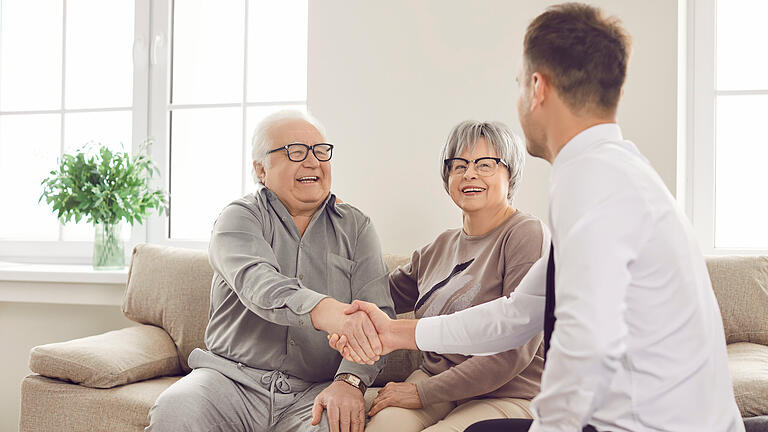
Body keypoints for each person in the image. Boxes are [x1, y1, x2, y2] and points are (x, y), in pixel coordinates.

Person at [329, 3, 745, 431]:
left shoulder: (591, 181)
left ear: (537, 88)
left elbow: (586, 348)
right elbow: (516, 314)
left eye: (518, 86)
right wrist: (397, 333)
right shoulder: (614, 170)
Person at [146, 109, 395, 432]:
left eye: (320, 151)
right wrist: (327, 311)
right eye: (295, 152)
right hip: (229, 382)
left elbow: (378, 314)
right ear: (261, 169)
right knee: (176, 409)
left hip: (314, 389)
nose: (312, 162)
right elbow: (259, 284)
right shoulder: (238, 218)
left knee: (334, 426)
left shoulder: (357, 227)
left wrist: (349, 381)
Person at [361, 120, 547, 432]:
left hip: (507, 390)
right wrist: (341, 236)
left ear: (510, 172)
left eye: (485, 164)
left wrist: (421, 393)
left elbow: (514, 351)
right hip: (437, 380)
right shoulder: (440, 246)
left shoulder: (526, 234)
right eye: (458, 165)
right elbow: (375, 295)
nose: (469, 174)